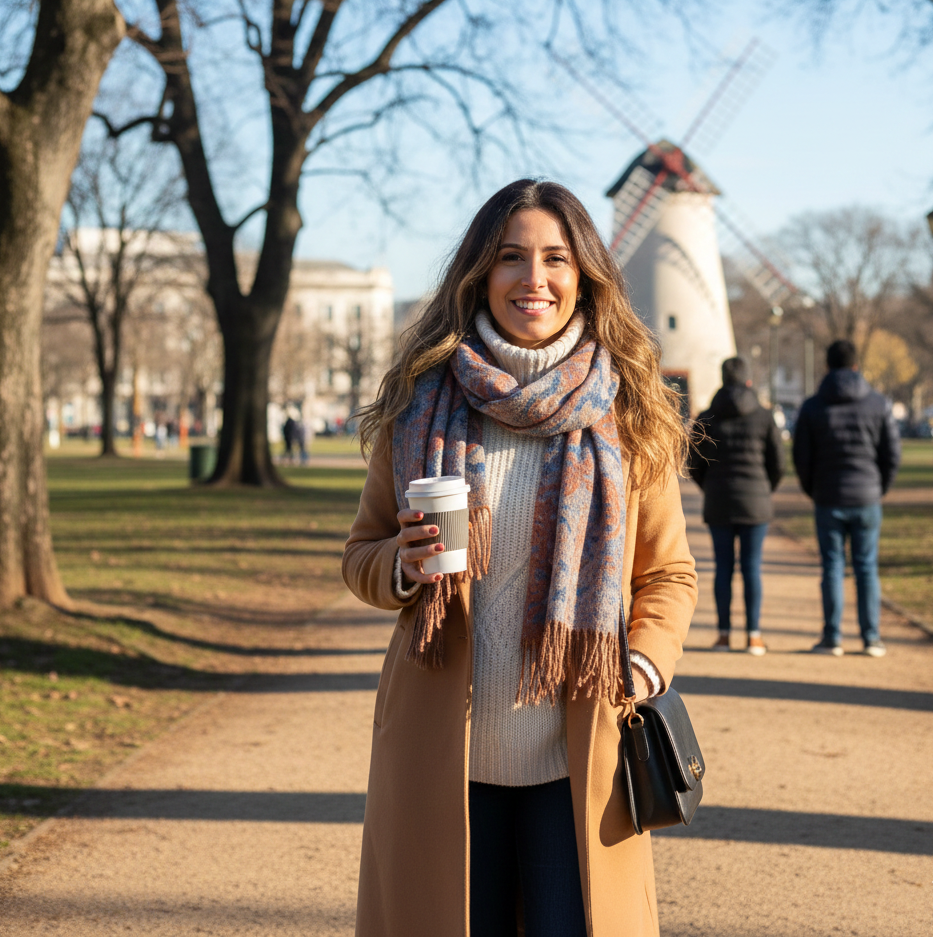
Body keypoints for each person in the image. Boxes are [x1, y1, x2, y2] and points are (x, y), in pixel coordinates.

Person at [342, 179, 698, 937]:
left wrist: (639, 667)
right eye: (510, 257)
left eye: (554, 259)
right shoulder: (420, 403)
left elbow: (667, 575)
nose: (532, 279)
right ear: (479, 271)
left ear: (584, 275)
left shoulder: (627, 411)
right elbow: (361, 554)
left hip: (577, 754)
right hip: (442, 752)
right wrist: (402, 565)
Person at [793, 339, 901, 657]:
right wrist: (878, 487)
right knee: (866, 567)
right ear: (856, 365)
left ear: (827, 365)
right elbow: (892, 454)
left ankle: (832, 637)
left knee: (832, 567)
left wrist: (813, 489)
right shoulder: (878, 404)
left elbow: (802, 457)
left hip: (828, 496)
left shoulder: (813, 406)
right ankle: (871, 638)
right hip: (867, 496)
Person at [689, 356, 784, 655]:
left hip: (719, 500)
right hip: (755, 502)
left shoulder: (707, 416)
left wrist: (710, 487)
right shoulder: (764, 415)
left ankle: (723, 635)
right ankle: (754, 636)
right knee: (752, 568)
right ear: (748, 381)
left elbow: (694, 463)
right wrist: (764, 488)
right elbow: (778, 463)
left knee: (723, 569)